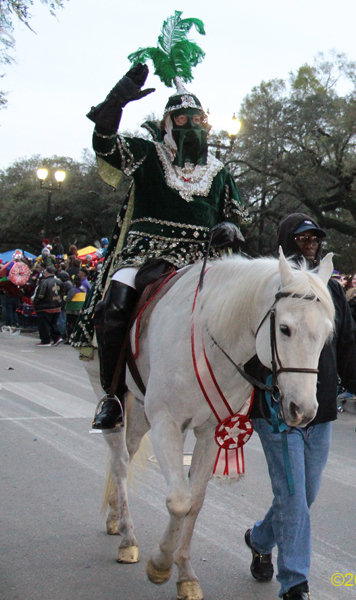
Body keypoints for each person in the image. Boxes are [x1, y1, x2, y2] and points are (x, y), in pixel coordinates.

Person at [74, 62, 247, 430]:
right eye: (182, 120)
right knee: (114, 305)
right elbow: (104, 144)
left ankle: (248, 392)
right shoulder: (146, 154)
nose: (191, 125)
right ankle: (112, 395)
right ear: (167, 124)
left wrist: (229, 227)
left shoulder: (219, 171)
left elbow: (233, 216)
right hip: (146, 254)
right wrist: (116, 101)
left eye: (198, 119)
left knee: (248, 308)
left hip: (204, 259)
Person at [243, 213, 356, 600]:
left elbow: (348, 342)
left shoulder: (330, 289)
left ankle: (260, 539)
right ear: (286, 241)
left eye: (315, 237)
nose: (311, 243)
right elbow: (242, 343)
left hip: (320, 408)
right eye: (302, 238)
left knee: (305, 496)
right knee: (294, 499)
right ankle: (295, 583)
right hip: (276, 407)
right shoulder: (267, 287)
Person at [32, 267, 63, 347]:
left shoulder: (44, 282)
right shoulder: (59, 281)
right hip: (57, 305)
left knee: (44, 324)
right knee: (53, 323)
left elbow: (40, 295)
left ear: (47, 273)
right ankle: (56, 337)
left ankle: (45, 340)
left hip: (45, 306)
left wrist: (36, 303)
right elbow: (62, 293)